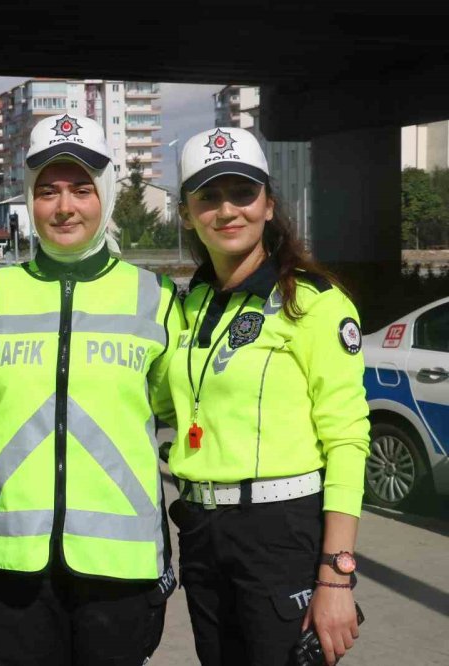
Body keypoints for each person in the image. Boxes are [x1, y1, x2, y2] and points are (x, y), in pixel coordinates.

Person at [0, 113, 184, 665]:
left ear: (104, 195)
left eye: (81, 189)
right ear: (30, 200)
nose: (64, 206)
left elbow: (181, 408)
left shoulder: (156, 297)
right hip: (12, 565)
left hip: (121, 572)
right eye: (47, 191)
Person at [166, 126, 370, 666]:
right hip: (203, 531)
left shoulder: (314, 303)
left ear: (269, 204)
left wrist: (336, 575)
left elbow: (348, 441)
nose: (227, 210)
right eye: (208, 196)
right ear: (186, 213)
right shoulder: (190, 304)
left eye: (242, 193)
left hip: (280, 533)